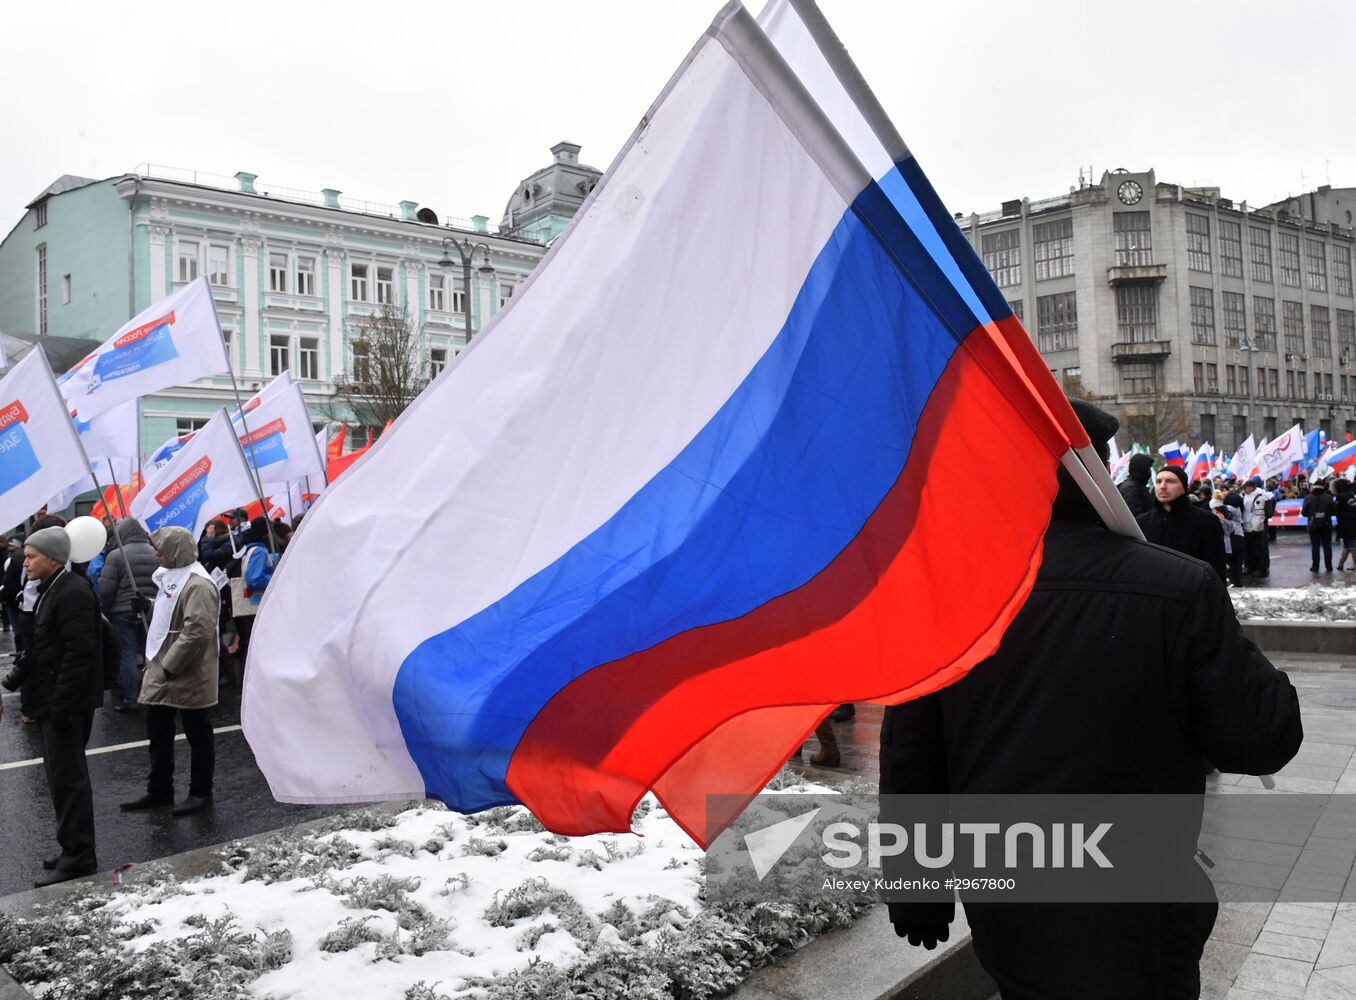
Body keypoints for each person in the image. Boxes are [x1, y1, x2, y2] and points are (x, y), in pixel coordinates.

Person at [881, 399, 1302, 999]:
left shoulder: (952, 599)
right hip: (1144, 907)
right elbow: (1265, 738)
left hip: (1011, 906)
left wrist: (917, 888)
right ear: (1096, 472)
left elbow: (912, 760)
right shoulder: (1180, 588)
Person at [0, 527, 104, 887]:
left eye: (30, 556)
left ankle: (79, 856)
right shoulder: (50, 588)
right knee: (59, 780)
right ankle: (70, 847)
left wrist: (60, 706)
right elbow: (44, 644)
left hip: (66, 704)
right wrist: (16, 676)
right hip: (51, 699)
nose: (24, 561)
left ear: (54, 558)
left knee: (69, 779)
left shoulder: (72, 591)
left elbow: (79, 653)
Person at [120, 527, 220, 816]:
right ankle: (159, 791)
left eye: (160, 549)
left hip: (186, 671)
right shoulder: (174, 576)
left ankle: (201, 792)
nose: (155, 553)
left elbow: (197, 632)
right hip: (164, 668)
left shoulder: (198, 584)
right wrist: (149, 606)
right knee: (158, 733)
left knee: (197, 734)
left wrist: (168, 666)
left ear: (176, 551)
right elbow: (170, 614)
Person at [98, 518, 159, 711]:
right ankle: (157, 694)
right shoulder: (156, 554)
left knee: (128, 654)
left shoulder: (116, 555)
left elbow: (106, 589)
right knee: (151, 652)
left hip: (123, 611)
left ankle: (131, 698)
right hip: (151, 609)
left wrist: (105, 610)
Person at [1137, 465, 1228, 583]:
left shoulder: (1206, 521)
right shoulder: (1142, 522)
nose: (1162, 486)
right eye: (1158, 481)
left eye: (1170, 481)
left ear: (1184, 487)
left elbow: (1216, 568)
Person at [1210, 490, 1244, 586]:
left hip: (1229, 538)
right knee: (1236, 563)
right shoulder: (1236, 509)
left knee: (1225, 561)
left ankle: (1225, 583)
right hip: (1239, 536)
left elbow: (1225, 526)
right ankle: (1236, 582)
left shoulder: (1222, 509)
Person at [1302, 480, 1337, 573]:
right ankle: (1329, 567)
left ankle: (1315, 566)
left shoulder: (1308, 497)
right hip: (1326, 525)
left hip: (1313, 525)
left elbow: (1304, 513)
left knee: (1315, 546)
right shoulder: (1328, 498)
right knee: (1327, 546)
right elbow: (1334, 511)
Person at [1241, 478, 1273, 578]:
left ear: (1251, 487)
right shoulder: (1246, 496)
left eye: (1245, 488)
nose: (1244, 490)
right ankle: (1251, 567)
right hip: (1248, 526)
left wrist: (1256, 528)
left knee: (1260, 549)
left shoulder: (1260, 497)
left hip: (1256, 527)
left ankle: (1262, 569)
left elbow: (1259, 514)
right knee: (1250, 549)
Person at [1116, 453, 1154, 518]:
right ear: (1140, 469)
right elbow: (1136, 517)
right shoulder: (1130, 489)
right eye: (1148, 469)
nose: (1150, 471)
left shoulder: (1138, 485)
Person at [1335, 479, 1356, 572]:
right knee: (1348, 544)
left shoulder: (1340, 496)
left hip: (1345, 523)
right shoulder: (1350, 495)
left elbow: (1336, 509)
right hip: (1350, 522)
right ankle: (1340, 563)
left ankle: (1354, 563)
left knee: (1350, 544)